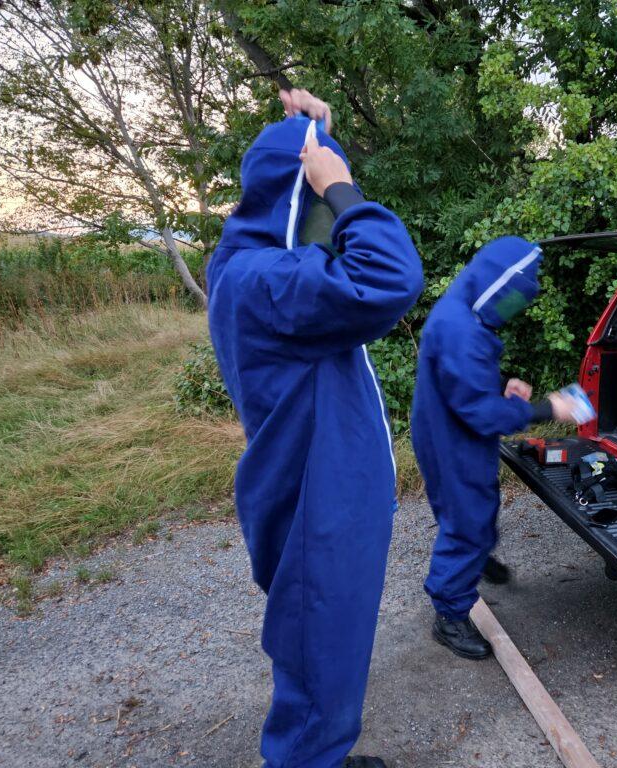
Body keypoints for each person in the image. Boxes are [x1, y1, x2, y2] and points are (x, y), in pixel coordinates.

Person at [207, 89, 423, 768]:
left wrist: (309, 133)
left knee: (324, 645)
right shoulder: (266, 280)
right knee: (321, 644)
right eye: (319, 202)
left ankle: (318, 753)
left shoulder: (246, 264)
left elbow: (290, 222)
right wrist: (342, 187)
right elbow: (391, 277)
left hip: (319, 486)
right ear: (301, 197)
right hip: (316, 501)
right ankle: (305, 759)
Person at [411, 236, 578, 660]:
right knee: (466, 520)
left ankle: (475, 554)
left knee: (471, 511)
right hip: (455, 445)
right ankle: (450, 614)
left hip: (442, 434)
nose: (511, 311)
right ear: (495, 285)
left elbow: (462, 383)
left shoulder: (459, 311)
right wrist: (549, 408)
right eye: (511, 301)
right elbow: (481, 415)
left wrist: (502, 388)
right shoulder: (461, 332)